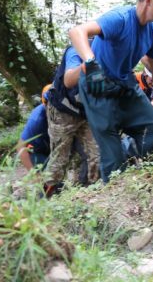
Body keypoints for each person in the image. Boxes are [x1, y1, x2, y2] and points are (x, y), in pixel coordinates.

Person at [69, 0, 153, 183]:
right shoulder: (120, 18)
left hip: (125, 86)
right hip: (98, 86)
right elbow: (77, 32)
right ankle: (113, 176)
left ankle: (132, 161)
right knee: (113, 162)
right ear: (148, 1)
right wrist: (91, 62)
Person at [43, 45, 101, 196]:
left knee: (96, 152)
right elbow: (69, 80)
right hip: (62, 110)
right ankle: (49, 193)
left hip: (85, 112)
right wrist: (89, 65)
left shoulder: (110, 53)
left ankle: (94, 190)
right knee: (60, 156)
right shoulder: (75, 51)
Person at [17, 85, 90, 185]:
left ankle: (85, 180)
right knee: (51, 181)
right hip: (39, 151)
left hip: (62, 144)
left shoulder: (70, 108)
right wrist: (34, 174)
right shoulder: (37, 120)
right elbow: (20, 147)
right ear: (45, 105)